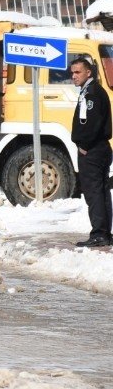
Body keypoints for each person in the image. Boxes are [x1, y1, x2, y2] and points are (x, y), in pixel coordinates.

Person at [70, 55, 112, 247]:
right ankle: (104, 232)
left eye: (78, 72)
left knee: (94, 192)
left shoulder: (92, 93)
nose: (74, 76)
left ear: (88, 72)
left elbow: (92, 123)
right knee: (101, 191)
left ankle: (99, 234)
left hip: (93, 151)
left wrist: (84, 146)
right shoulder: (90, 91)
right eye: (72, 73)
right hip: (98, 149)